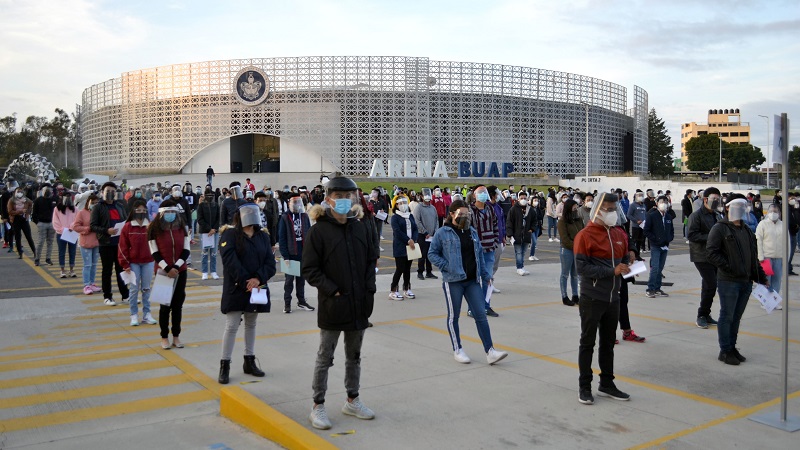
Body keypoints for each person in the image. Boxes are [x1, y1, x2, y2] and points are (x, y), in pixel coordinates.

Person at [303, 176, 378, 430]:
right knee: (325, 356)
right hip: (333, 305)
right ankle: (318, 405)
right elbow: (310, 270)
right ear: (328, 199)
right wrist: (332, 290)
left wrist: (369, 289)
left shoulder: (361, 227)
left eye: (349, 197)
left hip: (359, 304)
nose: (345, 201)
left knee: (354, 356)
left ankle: (352, 399)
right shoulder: (318, 231)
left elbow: (371, 260)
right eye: (339, 197)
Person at [428, 199, 509, 366]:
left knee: (480, 315)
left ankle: (490, 351)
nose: (466, 216)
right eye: (462, 214)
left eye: (467, 213)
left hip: (472, 281)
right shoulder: (443, 233)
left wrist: (486, 276)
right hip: (454, 281)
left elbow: (478, 255)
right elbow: (432, 253)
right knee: (453, 316)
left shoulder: (471, 232)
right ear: (452, 214)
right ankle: (457, 349)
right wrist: (446, 266)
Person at [574, 192, 634, 405]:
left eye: (614, 209)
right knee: (587, 343)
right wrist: (612, 271)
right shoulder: (585, 235)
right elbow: (582, 268)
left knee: (608, 343)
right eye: (608, 209)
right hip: (592, 297)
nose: (612, 213)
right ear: (597, 210)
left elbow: (624, 256)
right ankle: (584, 386)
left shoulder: (619, 234)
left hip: (613, 297)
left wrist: (628, 261)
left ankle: (607, 384)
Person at [217, 203, 277, 384]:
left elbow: (270, 263)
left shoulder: (262, 236)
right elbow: (230, 261)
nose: (251, 216)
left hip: (257, 286)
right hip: (236, 287)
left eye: (254, 212)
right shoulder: (230, 234)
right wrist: (246, 281)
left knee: (251, 323)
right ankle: (224, 364)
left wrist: (258, 279)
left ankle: (249, 360)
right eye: (247, 212)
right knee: (232, 325)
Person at [706, 196, 769, 365]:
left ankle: (732, 347)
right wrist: (729, 267)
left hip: (745, 281)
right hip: (729, 281)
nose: (741, 209)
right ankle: (725, 350)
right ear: (727, 208)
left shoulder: (746, 230)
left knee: (736, 317)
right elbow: (711, 253)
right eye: (737, 206)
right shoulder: (720, 228)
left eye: (743, 206)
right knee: (727, 316)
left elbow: (753, 257)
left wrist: (761, 277)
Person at [148, 201, 191, 350]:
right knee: (165, 306)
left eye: (173, 213)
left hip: (180, 271)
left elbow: (186, 250)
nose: (170, 215)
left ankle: (176, 336)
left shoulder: (183, 229)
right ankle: (164, 337)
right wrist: (167, 269)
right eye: (167, 213)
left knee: (177, 305)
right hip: (162, 271)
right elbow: (154, 252)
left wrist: (176, 267)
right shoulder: (154, 229)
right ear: (161, 214)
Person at [687, 188, 723, 328]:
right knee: (711, 284)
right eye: (714, 199)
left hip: (714, 256)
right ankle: (701, 315)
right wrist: (712, 238)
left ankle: (706, 313)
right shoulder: (696, 216)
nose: (716, 202)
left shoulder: (717, 215)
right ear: (705, 199)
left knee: (709, 286)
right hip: (701, 256)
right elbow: (692, 235)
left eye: (718, 200)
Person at [118, 200, 158, 327]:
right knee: (134, 290)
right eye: (138, 210)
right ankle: (133, 314)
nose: (141, 212)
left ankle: (147, 314)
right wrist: (125, 264)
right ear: (133, 211)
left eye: (143, 210)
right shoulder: (128, 226)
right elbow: (122, 246)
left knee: (146, 288)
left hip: (148, 262)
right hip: (133, 263)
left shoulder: (150, 226)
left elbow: (156, 244)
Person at [90, 182, 130, 306]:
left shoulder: (119, 206)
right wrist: (106, 231)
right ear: (102, 192)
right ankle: (107, 296)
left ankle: (125, 296)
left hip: (119, 243)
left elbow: (125, 220)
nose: (110, 193)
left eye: (112, 191)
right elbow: (93, 226)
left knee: (121, 270)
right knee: (107, 271)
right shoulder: (98, 207)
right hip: (106, 243)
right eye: (107, 191)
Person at [278, 194, 315, 313]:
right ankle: (287, 303)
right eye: (294, 203)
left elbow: (309, 234)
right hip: (290, 253)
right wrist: (285, 256)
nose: (296, 205)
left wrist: (309, 253)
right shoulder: (285, 217)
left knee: (301, 280)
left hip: (302, 253)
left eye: (298, 203)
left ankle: (301, 301)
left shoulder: (304, 216)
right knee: (289, 281)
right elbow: (282, 237)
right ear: (289, 204)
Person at [469, 185, 500, 316]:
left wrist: (495, 240)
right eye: (479, 193)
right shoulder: (470, 210)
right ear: (475, 195)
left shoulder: (490, 209)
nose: (482, 195)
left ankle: (486, 305)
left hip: (490, 248)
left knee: (488, 278)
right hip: (476, 250)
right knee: (475, 280)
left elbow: (495, 225)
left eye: (484, 192)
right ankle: (473, 308)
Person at [643, 196, 674, 298]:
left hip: (665, 246)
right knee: (655, 267)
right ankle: (650, 288)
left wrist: (669, 238)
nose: (663, 203)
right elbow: (646, 230)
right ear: (657, 203)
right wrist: (655, 239)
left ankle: (657, 288)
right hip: (655, 246)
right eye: (661, 202)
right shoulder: (652, 215)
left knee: (660, 268)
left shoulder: (668, 217)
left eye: (665, 202)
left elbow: (671, 230)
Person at [388, 197, 418, 300]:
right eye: (400, 203)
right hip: (400, 246)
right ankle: (393, 290)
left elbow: (415, 229)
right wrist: (408, 240)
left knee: (407, 269)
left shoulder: (410, 216)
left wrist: (413, 239)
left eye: (404, 202)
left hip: (411, 246)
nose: (403, 205)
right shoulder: (395, 217)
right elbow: (397, 232)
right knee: (400, 268)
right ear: (396, 205)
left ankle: (406, 288)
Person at [72, 194, 101, 295]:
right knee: (87, 264)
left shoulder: (100, 212)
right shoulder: (82, 213)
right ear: (88, 202)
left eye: (97, 203)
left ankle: (92, 283)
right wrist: (87, 229)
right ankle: (86, 285)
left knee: (94, 264)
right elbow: (75, 226)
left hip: (97, 242)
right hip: (86, 242)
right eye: (93, 203)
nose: (95, 205)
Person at [755, 204, 784, 302]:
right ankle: (765, 301)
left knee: (777, 281)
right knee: (766, 280)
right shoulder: (762, 224)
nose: (773, 213)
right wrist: (760, 256)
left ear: (779, 213)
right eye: (771, 211)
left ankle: (773, 301)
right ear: (767, 212)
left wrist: (786, 258)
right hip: (766, 257)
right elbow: (758, 240)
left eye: (776, 212)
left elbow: (787, 242)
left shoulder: (783, 225)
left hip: (779, 257)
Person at [558, 199, 584, 306]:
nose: (576, 209)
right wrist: (576, 246)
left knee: (575, 274)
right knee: (565, 274)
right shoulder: (562, 221)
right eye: (574, 207)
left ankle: (575, 295)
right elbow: (565, 239)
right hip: (567, 250)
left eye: (577, 207)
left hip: (577, 250)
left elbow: (582, 233)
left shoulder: (578, 220)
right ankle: (564, 296)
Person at [506, 190, 536, 276]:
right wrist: (510, 234)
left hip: (526, 235)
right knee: (518, 252)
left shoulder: (530, 210)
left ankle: (521, 266)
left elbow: (535, 221)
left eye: (525, 198)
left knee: (523, 252)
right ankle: (519, 267)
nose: (523, 199)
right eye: (521, 198)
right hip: (517, 235)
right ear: (518, 199)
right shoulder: (513, 209)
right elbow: (509, 222)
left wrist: (532, 229)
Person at [413, 189, 439, 280]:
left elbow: (436, 220)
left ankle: (429, 271)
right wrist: (425, 232)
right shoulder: (419, 207)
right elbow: (417, 221)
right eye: (425, 195)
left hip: (432, 235)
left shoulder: (433, 208)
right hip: (422, 235)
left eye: (429, 194)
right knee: (422, 254)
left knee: (430, 254)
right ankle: (420, 272)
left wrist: (436, 231)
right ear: (422, 197)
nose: (427, 196)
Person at [52, 191, 77, 278]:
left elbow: (77, 220)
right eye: (66, 197)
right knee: (61, 252)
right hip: (61, 234)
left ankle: (71, 270)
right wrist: (63, 230)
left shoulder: (75, 209)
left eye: (69, 197)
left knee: (72, 252)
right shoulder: (57, 209)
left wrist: (72, 227)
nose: (68, 199)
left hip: (72, 233)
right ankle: (62, 270)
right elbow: (55, 221)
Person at [196, 191, 220, 280]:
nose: (210, 197)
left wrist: (214, 229)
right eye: (208, 195)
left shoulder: (216, 205)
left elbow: (219, 218)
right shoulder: (201, 206)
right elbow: (200, 219)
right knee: (204, 253)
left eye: (212, 195)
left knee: (214, 253)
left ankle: (213, 271)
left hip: (214, 232)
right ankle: (204, 272)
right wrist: (209, 229)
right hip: (204, 233)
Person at [7, 187, 35, 259]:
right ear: (15, 193)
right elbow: (10, 211)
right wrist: (19, 212)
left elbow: (31, 205)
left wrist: (28, 212)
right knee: (18, 236)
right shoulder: (11, 200)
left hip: (24, 219)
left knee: (28, 236)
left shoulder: (26, 200)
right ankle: (20, 252)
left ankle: (35, 252)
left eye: (21, 192)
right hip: (16, 219)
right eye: (18, 191)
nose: (19, 193)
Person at [32, 185, 57, 266]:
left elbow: (56, 211)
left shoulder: (53, 200)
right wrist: (37, 222)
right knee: (40, 242)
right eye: (46, 190)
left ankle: (48, 258)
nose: (48, 192)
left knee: (50, 242)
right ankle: (37, 258)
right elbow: (34, 213)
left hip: (51, 223)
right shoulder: (38, 200)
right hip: (42, 223)